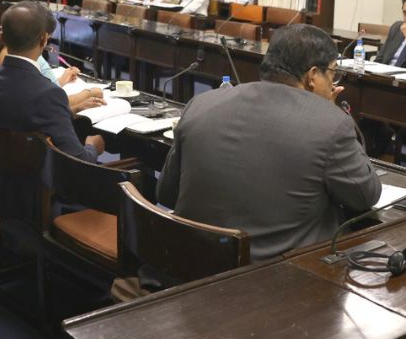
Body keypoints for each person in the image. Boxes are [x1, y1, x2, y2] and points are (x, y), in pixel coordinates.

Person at [158, 24, 381, 261]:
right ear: (313, 76)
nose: (334, 83)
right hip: (272, 275)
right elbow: (365, 195)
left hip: (188, 263)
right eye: (333, 73)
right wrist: (331, 114)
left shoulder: (200, 103)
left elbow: (166, 193)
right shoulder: (330, 124)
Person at [0, 2, 106, 220]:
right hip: (39, 195)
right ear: (43, 40)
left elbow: (19, 114)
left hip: (0, 189)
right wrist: (93, 147)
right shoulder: (48, 93)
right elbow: (79, 162)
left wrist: (67, 112)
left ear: (3, 38)